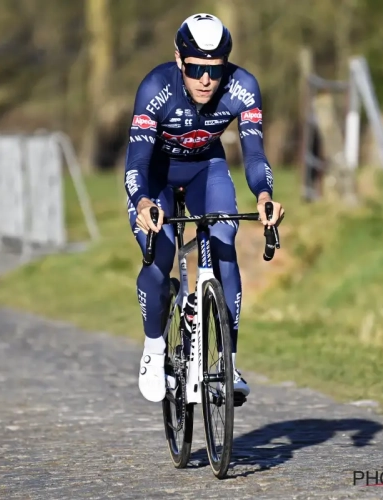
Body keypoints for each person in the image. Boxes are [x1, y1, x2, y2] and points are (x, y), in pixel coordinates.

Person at [124, 13, 285, 404]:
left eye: (214, 70)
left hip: (206, 169)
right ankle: (154, 348)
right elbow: (136, 164)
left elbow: (255, 153)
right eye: (195, 69)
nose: (205, 80)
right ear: (180, 61)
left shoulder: (244, 87)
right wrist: (143, 201)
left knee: (225, 240)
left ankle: (227, 362)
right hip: (157, 176)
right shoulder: (155, 88)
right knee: (160, 254)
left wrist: (264, 195)